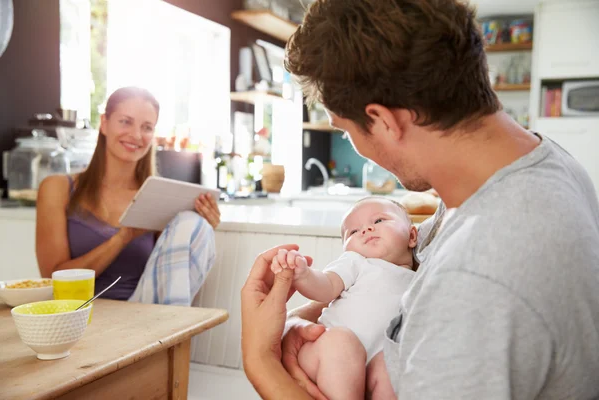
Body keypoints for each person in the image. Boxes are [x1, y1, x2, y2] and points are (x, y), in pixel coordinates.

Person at [241, 0, 599, 399]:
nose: (354, 146)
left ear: (382, 121)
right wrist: (296, 324)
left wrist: (260, 360)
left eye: (345, 131)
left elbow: (460, 286)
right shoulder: (528, 168)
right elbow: (396, 279)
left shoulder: (483, 272)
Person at [36, 86, 221, 306]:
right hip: (77, 314)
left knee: (193, 224)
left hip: (141, 314)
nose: (135, 135)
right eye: (125, 121)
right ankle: (171, 335)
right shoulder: (58, 187)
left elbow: (171, 276)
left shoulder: (156, 198)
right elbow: (52, 279)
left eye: (146, 127)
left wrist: (203, 224)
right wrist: (122, 238)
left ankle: (170, 333)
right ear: (104, 123)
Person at [270, 197, 416, 400]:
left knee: (392, 364)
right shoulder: (356, 262)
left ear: (412, 235)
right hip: (326, 353)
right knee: (343, 342)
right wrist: (304, 275)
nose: (366, 230)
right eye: (354, 232)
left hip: (374, 362)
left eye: (379, 221)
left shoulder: (421, 280)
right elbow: (326, 286)